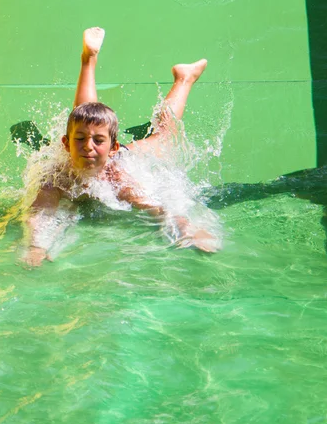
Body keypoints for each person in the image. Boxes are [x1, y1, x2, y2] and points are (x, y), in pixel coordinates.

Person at [22, 27, 219, 266]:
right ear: (65, 144)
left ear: (113, 147)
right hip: (94, 143)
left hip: (123, 157)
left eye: (98, 142)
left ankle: (184, 77)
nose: (88, 147)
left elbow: (156, 207)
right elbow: (39, 214)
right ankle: (88, 59)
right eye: (79, 140)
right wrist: (36, 246)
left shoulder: (117, 177)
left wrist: (188, 229)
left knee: (165, 137)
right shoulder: (56, 176)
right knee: (86, 119)